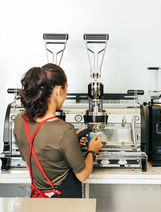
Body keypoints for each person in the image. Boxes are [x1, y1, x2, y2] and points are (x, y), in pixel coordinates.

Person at [14, 63, 102, 198]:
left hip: (37, 201)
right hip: (63, 202)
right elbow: (83, 175)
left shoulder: (20, 120)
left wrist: (71, 143)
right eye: (66, 89)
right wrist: (92, 151)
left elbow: (31, 162)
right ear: (58, 91)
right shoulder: (65, 131)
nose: (65, 95)